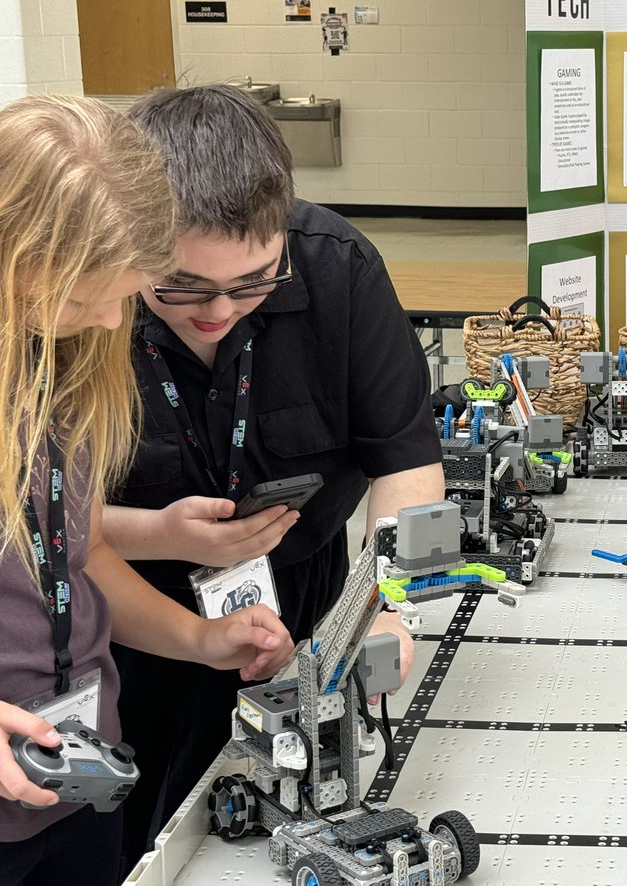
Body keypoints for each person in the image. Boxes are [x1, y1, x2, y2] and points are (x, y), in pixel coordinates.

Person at [102, 85, 445, 871]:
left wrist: (388, 615)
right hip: (128, 610)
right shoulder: (91, 301)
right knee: (146, 831)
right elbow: (41, 511)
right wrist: (153, 533)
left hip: (304, 599)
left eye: (254, 281)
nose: (220, 310)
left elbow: (406, 461)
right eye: (183, 285)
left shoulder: (339, 268)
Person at [0, 95, 294, 886]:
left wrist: (198, 641)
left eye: (124, 291)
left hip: (76, 786)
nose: (105, 321)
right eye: (81, 294)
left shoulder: (56, 365)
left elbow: (80, 551)